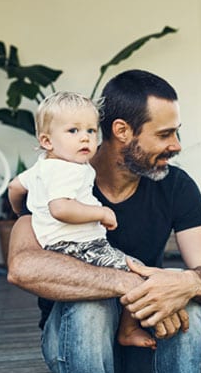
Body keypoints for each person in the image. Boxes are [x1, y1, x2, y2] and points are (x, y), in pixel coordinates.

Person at [7, 69, 201, 373]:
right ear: (123, 131)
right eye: (164, 134)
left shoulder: (176, 186)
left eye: (177, 132)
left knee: (185, 300)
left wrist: (187, 284)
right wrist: (125, 283)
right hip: (75, 350)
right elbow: (22, 266)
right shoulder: (57, 176)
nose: (176, 146)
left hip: (146, 346)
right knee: (91, 307)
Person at [8, 90, 155, 350]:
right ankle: (128, 329)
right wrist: (102, 213)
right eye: (73, 131)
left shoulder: (42, 167)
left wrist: (23, 212)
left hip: (56, 249)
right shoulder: (69, 170)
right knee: (139, 272)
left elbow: (14, 188)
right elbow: (60, 208)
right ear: (47, 140)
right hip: (81, 247)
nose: (85, 137)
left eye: (90, 130)